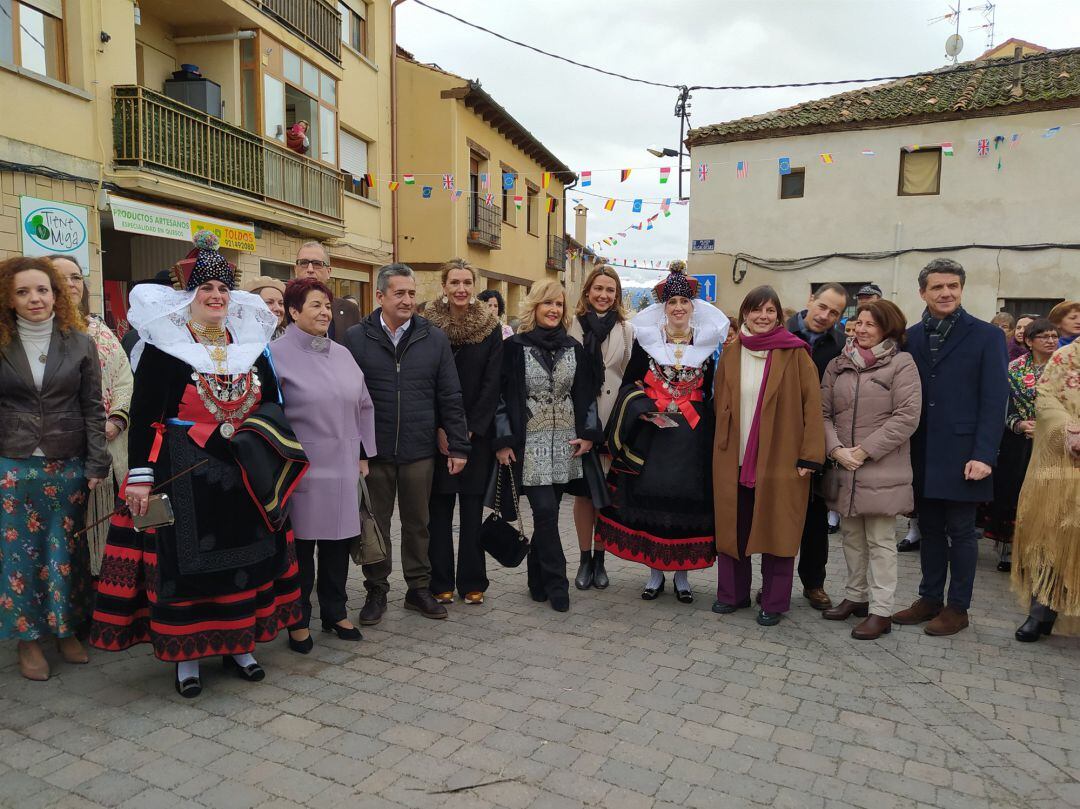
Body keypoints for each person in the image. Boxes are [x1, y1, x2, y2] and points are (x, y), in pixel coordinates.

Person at [90, 232, 302, 697]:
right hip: (182, 472)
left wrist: (263, 444)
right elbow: (145, 415)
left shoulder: (249, 346)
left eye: (223, 290)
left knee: (246, 560)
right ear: (190, 296)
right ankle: (187, 657)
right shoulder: (165, 349)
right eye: (206, 289)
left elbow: (271, 405)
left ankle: (240, 646)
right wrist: (141, 478)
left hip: (242, 475)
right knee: (184, 568)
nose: (216, 297)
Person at [0, 256, 109, 680]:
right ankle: (28, 642)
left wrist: (97, 460)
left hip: (68, 463)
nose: (34, 299)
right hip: (13, 464)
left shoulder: (79, 342)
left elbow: (92, 407)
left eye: (42, 290)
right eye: (23, 291)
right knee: (18, 558)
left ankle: (65, 631)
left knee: (66, 552)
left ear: (56, 294)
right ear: (9, 298)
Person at [344, 263, 469, 625]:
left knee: (419, 523)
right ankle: (376, 590)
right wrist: (356, 449)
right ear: (380, 296)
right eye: (399, 293)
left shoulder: (433, 338)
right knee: (376, 525)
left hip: (418, 451)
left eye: (412, 293)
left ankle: (418, 588)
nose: (407, 300)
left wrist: (459, 445)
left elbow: (450, 394)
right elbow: (347, 398)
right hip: (375, 452)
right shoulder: (355, 338)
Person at [892, 258, 1008, 636]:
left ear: (961, 289)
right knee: (928, 528)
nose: (946, 293)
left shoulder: (986, 336)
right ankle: (929, 598)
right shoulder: (910, 337)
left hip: (965, 454)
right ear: (922, 292)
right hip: (922, 449)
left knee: (961, 532)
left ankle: (958, 608)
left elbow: (995, 399)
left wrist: (984, 454)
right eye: (938, 287)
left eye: (953, 286)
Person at [597, 266, 729, 602]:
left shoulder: (709, 344)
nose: (679, 308)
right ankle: (655, 574)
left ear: (692, 306)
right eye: (673, 302)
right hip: (655, 433)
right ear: (665, 307)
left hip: (693, 435)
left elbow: (716, 389)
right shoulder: (647, 343)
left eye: (685, 301)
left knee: (687, 500)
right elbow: (630, 383)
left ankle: (682, 576)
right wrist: (643, 409)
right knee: (652, 496)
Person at [271, 277, 376, 653]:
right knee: (301, 549)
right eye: (315, 305)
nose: (324, 312)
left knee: (338, 543)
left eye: (327, 306)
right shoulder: (274, 354)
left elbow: (364, 403)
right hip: (301, 466)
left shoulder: (342, 352)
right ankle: (297, 618)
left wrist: (364, 453)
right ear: (293, 311)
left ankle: (335, 610)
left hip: (344, 464)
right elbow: (269, 413)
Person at [713, 286, 825, 626]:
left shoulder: (796, 354)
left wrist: (810, 456)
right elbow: (720, 402)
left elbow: (812, 408)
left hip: (781, 459)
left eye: (770, 311)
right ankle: (733, 595)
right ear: (745, 313)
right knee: (734, 529)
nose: (763, 316)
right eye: (756, 310)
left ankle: (774, 602)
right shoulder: (732, 353)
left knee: (779, 532)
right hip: (734, 457)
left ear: (779, 315)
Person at [493, 280, 603, 612]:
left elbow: (586, 393)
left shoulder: (574, 348)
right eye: (547, 304)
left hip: (565, 444)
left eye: (558, 304)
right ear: (535, 307)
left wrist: (588, 433)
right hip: (530, 445)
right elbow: (500, 397)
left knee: (548, 514)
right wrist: (503, 440)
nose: (554, 309)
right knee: (544, 511)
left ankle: (535, 580)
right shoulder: (514, 348)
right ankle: (558, 584)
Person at [820, 300, 921, 640]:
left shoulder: (901, 364)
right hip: (844, 467)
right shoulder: (839, 364)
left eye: (870, 324)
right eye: (858, 322)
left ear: (887, 328)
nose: (861, 329)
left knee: (880, 542)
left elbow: (907, 416)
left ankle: (881, 611)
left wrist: (863, 452)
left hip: (880, 467)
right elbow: (823, 413)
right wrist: (834, 449)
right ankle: (855, 596)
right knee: (851, 538)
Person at [424, 259, 503, 605]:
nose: (461, 288)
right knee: (438, 512)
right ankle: (439, 580)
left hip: (475, 436)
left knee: (471, 511)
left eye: (467, 282)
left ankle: (473, 581)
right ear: (443, 286)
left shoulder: (490, 327)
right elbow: (422, 382)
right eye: (454, 282)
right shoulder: (425, 326)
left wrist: (468, 431)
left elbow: (492, 383)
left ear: (474, 286)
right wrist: (440, 429)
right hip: (436, 434)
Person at [53, 256, 134, 576]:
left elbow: (125, 380)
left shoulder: (100, 331)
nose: (70, 285)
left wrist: (115, 420)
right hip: (59, 454)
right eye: (60, 278)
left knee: (108, 541)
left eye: (75, 277)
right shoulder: (30, 338)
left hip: (108, 450)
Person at [568, 264, 634, 590]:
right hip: (581, 419)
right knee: (583, 495)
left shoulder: (625, 330)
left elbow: (625, 372)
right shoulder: (574, 326)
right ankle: (583, 559)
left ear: (617, 295)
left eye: (610, 290)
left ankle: (600, 558)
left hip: (611, 420)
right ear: (588, 291)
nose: (604, 295)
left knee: (605, 494)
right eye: (599, 289)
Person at [1010, 340, 1080, 642]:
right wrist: (1070, 429)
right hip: (1060, 466)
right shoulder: (1067, 357)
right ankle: (1040, 614)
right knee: (1050, 536)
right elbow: (1046, 398)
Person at [786, 283, 848, 611]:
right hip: (779, 440)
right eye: (822, 306)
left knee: (815, 518)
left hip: (818, 443)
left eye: (834, 312)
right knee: (779, 516)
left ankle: (814, 583)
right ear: (810, 299)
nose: (825, 316)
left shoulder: (840, 346)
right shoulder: (781, 334)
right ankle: (774, 584)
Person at [985, 317, 1059, 572]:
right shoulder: (1013, 369)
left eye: (1054, 336)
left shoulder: (1065, 367)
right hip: (1018, 442)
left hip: (1055, 441)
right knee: (1013, 493)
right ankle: (1007, 551)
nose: (1051, 341)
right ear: (1029, 341)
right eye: (1044, 337)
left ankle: (1040, 553)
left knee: (1046, 497)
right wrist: (1018, 424)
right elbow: (1002, 403)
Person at [294, 242, 361, 343]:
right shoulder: (281, 308)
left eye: (317, 264)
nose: (310, 269)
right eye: (304, 263)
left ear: (329, 272)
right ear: (295, 270)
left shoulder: (350, 310)